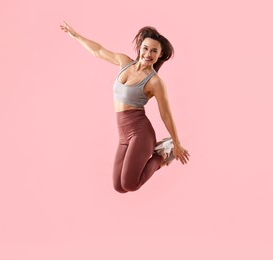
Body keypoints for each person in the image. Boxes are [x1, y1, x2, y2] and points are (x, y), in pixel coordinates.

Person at [60, 21, 190, 193]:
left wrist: (177, 143)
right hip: (123, 133)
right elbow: (98, 51)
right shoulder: (124, 62)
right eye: (145, 48)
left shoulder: (155, 82)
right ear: (140, 47)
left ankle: (163, 154)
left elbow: (166, 114)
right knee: (119, 187)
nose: (148, 54)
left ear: (160, 55)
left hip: (140, 132)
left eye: (154, 51)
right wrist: (76, 36)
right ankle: (162, 151)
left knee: (130, 184)